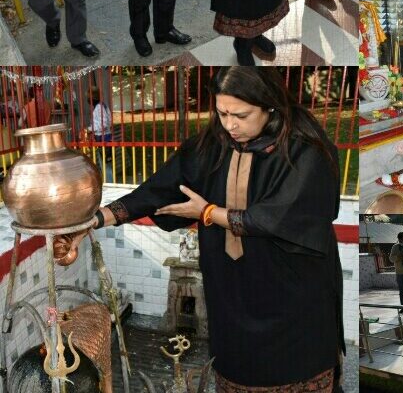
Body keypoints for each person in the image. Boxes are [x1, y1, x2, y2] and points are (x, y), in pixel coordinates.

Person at [69, 67, 345, 392]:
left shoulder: (303, 150)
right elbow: (157, 191)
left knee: (297, 371)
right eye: (222, 113)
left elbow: (276, 218)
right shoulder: (213, 146)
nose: (230, 125)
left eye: (240, 115)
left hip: (293, 294)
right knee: (235, 369)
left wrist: (208, 212)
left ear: (270, 106)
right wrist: (95, 220)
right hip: (231, 293)